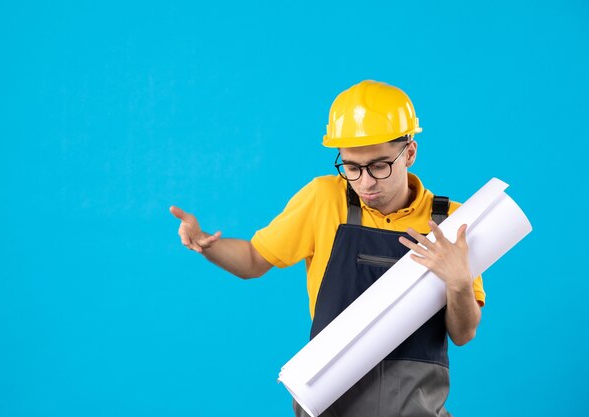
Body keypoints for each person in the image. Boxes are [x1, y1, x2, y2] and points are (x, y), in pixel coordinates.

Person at [170, 80, 485, 417]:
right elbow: (252, 260)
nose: (365, 182)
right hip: (330, 404)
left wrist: (459, 282)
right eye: (351, 167)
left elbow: (463, 333)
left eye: (379, 166)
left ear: (409, 152)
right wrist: (206, 245)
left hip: (417, 407)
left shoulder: (453, 221)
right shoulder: (323, 200)